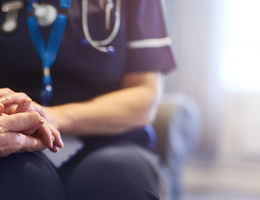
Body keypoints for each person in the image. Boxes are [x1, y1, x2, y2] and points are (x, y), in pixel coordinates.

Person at [0, 0, 175, 199]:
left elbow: (144, 95)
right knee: (20, 181)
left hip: (112, 138)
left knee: (117, 178)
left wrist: (52, 117)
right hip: (14, 143)